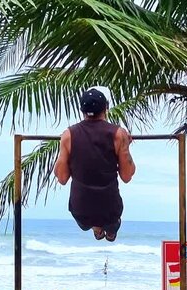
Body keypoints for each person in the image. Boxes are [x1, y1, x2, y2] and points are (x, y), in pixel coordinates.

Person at [54, 88, 136, 242]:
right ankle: (110, 232)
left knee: (88, 219)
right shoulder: (118, 134)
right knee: (112, 222)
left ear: (82, 110)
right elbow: (127, 176)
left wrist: (64, 146)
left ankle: (96, 228)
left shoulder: (68, 135)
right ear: (106, 108)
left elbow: (62, 178)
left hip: (81, 212)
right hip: (109, 209)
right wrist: (125, 146)